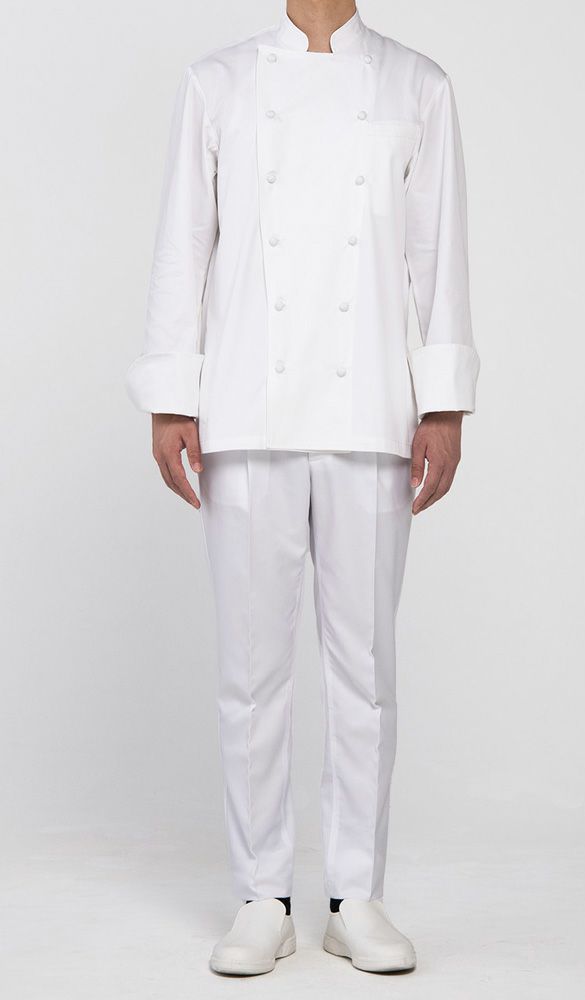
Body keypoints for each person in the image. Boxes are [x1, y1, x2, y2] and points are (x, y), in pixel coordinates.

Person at [126, 0, 480, 977]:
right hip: (246, 405)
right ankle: (262, 897)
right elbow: (183, 242)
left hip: (373, 409)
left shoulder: (417, 85)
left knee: (365, 670)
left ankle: (356, 897)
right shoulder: (218, 83)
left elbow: (436, 253)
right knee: (251, 672)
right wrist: (172, 393)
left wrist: (444, 400)